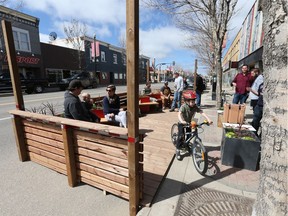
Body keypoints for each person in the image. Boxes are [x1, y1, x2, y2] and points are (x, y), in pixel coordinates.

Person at [175, 90, 212, 160]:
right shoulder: (184, 106)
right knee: (181, 136)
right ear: (187, 101)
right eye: (192, 102)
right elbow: (179, 113)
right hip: (182, 123)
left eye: (194, 101)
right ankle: (178, 150)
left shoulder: (194, 107)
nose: (193, 103)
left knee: (189, 135)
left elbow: (201, 112)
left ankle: (186, 146)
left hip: (189, 122)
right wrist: (182, 121)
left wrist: (208, 119)